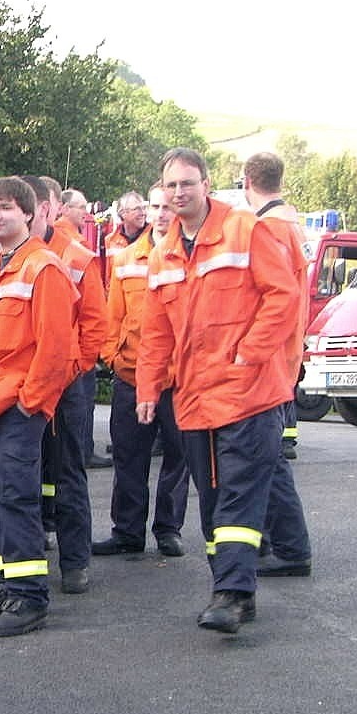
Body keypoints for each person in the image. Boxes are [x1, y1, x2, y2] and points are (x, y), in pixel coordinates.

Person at [135, 148, 302, 634]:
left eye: (187, 183)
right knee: (211, 502)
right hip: (194, 400)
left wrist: (250, 353)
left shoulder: (246, 230)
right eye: (171, 186)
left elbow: (283, 296)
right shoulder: (163, 252)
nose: (179, 192)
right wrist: (149, 386)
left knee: (237, 499)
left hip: (250, 393)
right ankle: (235, 587)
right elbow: (156, 332)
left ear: (206, 184)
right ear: (163, 191)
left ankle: (229, 594)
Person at [0, 177, 78, 636]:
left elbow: (55, 349)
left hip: (17, 408)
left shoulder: (43, 268)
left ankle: (30, 598)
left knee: (16, 498)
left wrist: (32, 404)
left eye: (5, 207)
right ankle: (11, 584)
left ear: (29, 214)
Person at [93, 185, 190, 558]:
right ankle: (127, 531)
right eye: (156, 206)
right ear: (146, 211)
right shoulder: (127, 258)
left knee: (178, 457)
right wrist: (112, 356)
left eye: (168, 207)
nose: (162, 213)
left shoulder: (188, 257)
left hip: (176, 379)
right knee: (128, 457)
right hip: (132, 374)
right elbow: (112, 314)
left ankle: (168, 528)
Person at [26, 175, 109, 593]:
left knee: (69, 469)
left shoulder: (75, 256)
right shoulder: (16, 253)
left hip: (68, 382)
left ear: (46, 209)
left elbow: (95, 323)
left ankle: (75, 562)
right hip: (27, 380)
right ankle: (28, 551)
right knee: (27, 470)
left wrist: (73, 366)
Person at [242, 151, 314, 577]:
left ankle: (290, 547)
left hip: (268, 358)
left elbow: (272, 299)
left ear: (247, 180)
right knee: (266, 454)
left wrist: (249, 351)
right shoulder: (293, 224)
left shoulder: (267, 228)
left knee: (266, 457)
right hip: (285, 353)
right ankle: (274, 541)